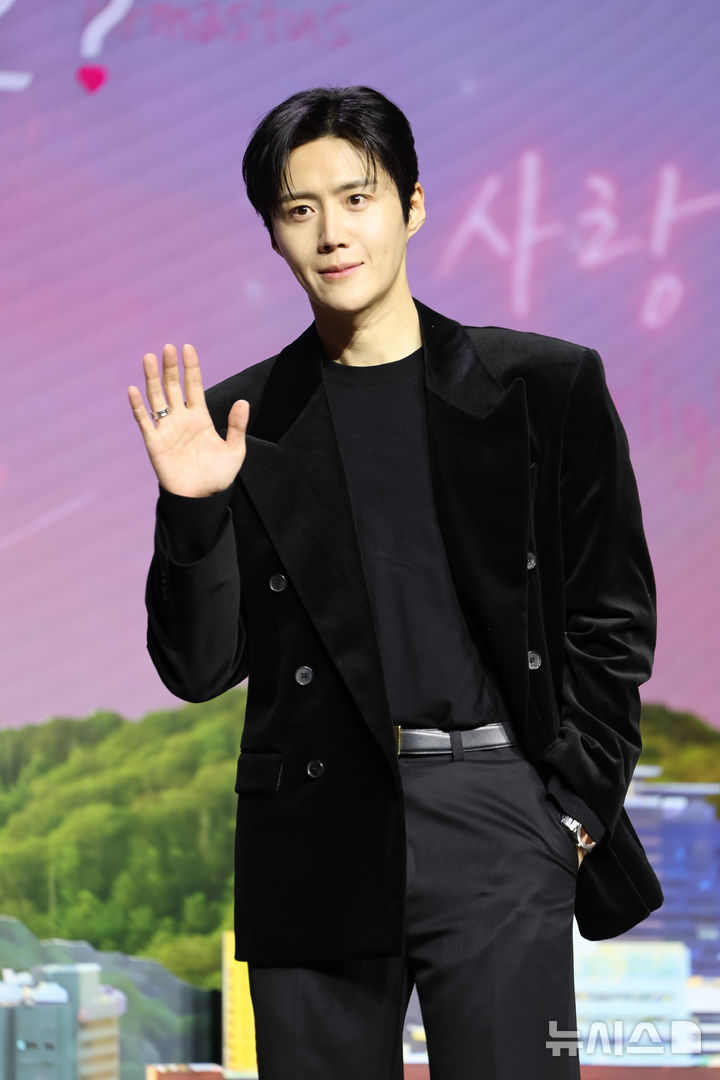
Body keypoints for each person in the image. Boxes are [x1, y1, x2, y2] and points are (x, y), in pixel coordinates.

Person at [128, 86, 661, 1080]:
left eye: (357, 197)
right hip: (314, 828)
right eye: (300, 209)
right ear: (274, 234)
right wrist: (192, 508)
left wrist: (573, 814)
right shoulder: (239, 421)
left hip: (499, 813)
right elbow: (199, 670)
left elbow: (611, 619)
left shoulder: (546, 387)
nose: (332, 233)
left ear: (411, 206)